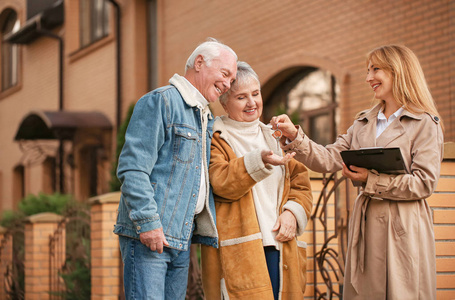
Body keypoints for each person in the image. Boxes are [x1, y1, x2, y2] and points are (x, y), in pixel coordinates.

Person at [270, 45, 444, 299]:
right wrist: (296, 136)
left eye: (376, 69)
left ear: (398, 71)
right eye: (367, 70)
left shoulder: (425, 123)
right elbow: (329, 159)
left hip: (404, 226)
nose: (368, 78)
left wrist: (371, 180)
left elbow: (424, 183)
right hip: (367, 225)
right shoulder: (363, 122)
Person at [113, 38, 238, 299]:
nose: (228, 84)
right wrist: (148, 224)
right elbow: (132, 169)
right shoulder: (161, 102)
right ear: (200, 63)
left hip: (180, 237)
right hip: (150, 237)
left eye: (232, 80)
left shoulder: (203, 115)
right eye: (225, 74)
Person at [201, 61, 313, 299]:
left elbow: (301, 183)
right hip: (240, 251)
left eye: (255, 93)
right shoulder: (215, 137)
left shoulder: (276, 137)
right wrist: (257, 161)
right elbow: (220, 182)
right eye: (241, 97)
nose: (252, 103)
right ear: (224, 101)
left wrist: (292, 212)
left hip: (280, 244)